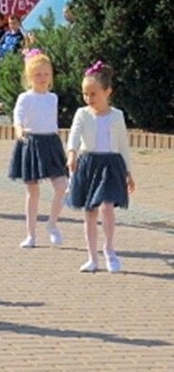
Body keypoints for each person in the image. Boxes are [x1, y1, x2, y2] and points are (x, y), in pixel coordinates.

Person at [66, 61, 135, 273]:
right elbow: (74, 136)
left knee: (107, 207)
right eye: (85, 94)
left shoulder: (117, 116)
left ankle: (110, 249)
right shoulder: (82, 113)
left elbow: (123, 144)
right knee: (90, 212)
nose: (89, 99)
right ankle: (92, 257)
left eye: (93, 94)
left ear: (107, 92)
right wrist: (71, 154)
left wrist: (128, 172)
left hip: (111, 165)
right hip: (88, 164)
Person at [8, 51, 69, 248]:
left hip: (51, 143)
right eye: (37, 75)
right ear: (29, 77)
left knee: (62, 186)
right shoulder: (25, 98)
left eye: (46, 74)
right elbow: (18, 117)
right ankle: (30, 235)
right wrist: (19, 131)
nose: (42, 79)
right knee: (32, 191)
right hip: (31, 143)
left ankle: (52, 224)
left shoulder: (53, 98)